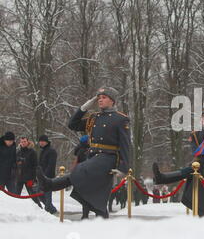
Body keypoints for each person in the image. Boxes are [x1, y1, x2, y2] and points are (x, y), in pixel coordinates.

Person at [37, 87, 131, 219]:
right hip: (93, 157)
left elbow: (126, 145)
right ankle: (103, 218)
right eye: (99, 98)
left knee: (80, 169)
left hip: (108, 158)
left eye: (104, 97)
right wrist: (84, 108)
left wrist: (123, 167)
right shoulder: (94, 118)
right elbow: (73, 124)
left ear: (112, 101)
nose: (100, 100)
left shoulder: (120, 119)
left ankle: (51, 184)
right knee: (97, 197)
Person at [152, 109, 204, 216]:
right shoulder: (196, 133)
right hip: (199, 163)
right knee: (191, 170)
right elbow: (195, 150)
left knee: (190, 170)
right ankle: (162, 177)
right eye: (203, 117)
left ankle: (162, 178)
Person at [16, 137, 43, 208]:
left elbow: (35, 165)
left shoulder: (32, 152)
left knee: (32, 195)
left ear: (28, 142)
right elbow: (15, 163)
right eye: (21, 142)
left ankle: (40, 208)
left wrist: (34, 179)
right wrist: (18, 161)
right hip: (19, 177)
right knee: (15, 195)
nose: (23, 143)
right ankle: (15, 209)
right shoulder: (18, 152)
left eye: (24, 141)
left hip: (29, 177)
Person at [37, 135, 58, 214]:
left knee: (47, 195)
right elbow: (39, 165)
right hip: (41, 177)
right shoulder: (42, 151)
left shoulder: (51, 151)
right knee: (39, 194)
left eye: (43, 141)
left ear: (46, 142)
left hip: (48, 177)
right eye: (40, 141)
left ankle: (49, 211)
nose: (41, 143)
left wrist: (45, 176)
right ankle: (52, 210)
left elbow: (51, 165)